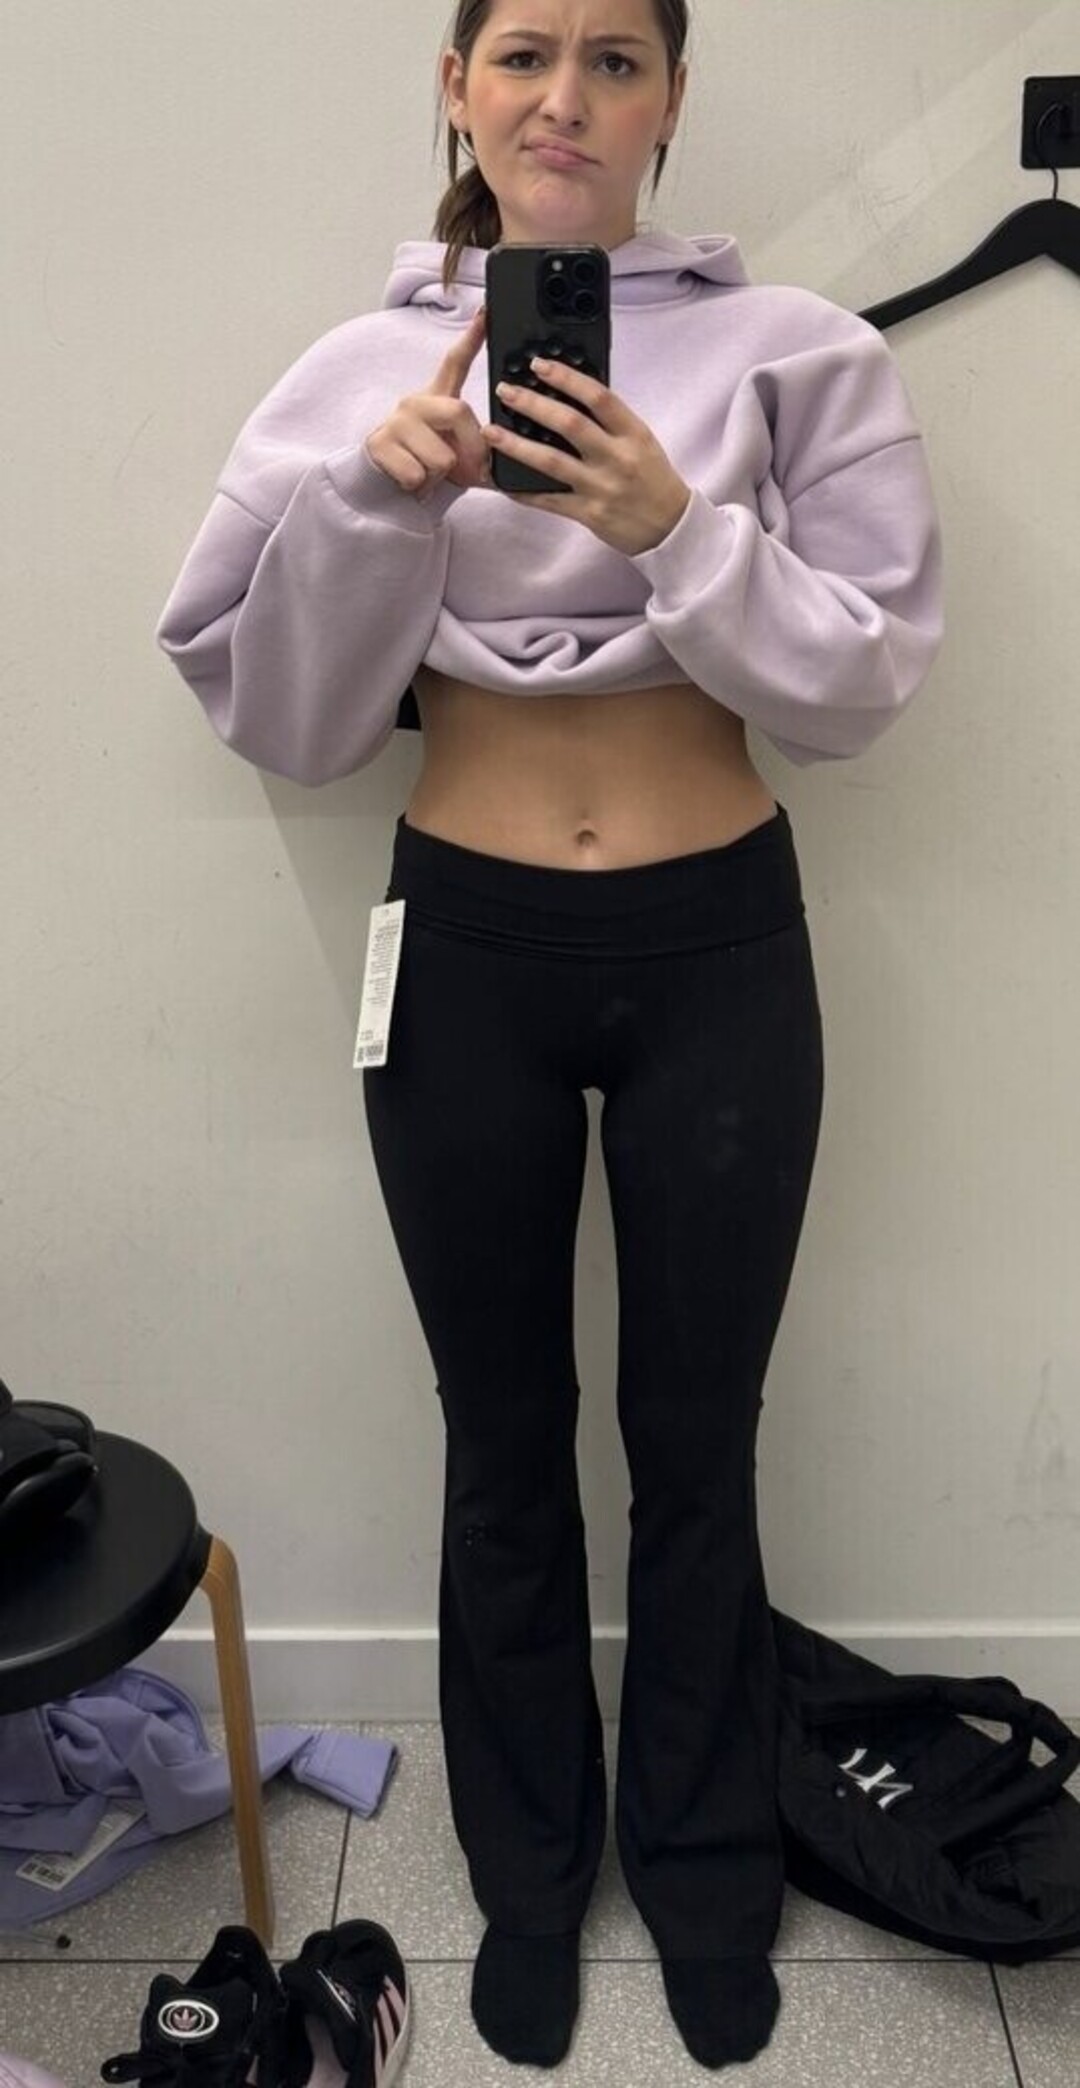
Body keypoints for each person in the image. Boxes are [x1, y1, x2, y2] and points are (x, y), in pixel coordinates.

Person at [154, 0, 945, 2071]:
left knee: (698, 1438)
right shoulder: (359, 371)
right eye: (522, 53)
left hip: (718, 949)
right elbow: (281, 720)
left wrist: (678, 529)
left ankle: (702, 1863)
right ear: (457, 87)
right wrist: (371, 509)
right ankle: (525, 1871)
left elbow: (866, 686)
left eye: (614, 57)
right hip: (468, 950)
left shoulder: (800, 357)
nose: (565, 99)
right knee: (502, 1441)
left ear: (675, 95)